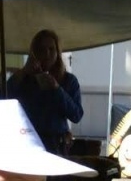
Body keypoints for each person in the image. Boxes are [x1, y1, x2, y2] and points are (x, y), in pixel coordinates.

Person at [10, 29, 84, 157]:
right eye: (42, 49)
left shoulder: (68, 80)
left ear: (58, 52)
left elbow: (76, 115)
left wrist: (56, 89)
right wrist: (23, 72)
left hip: (57, 147)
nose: (47, 54)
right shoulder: (25, 79)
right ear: (34, 53)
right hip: (29, 145)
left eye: (51, 49)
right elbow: (4, 98)